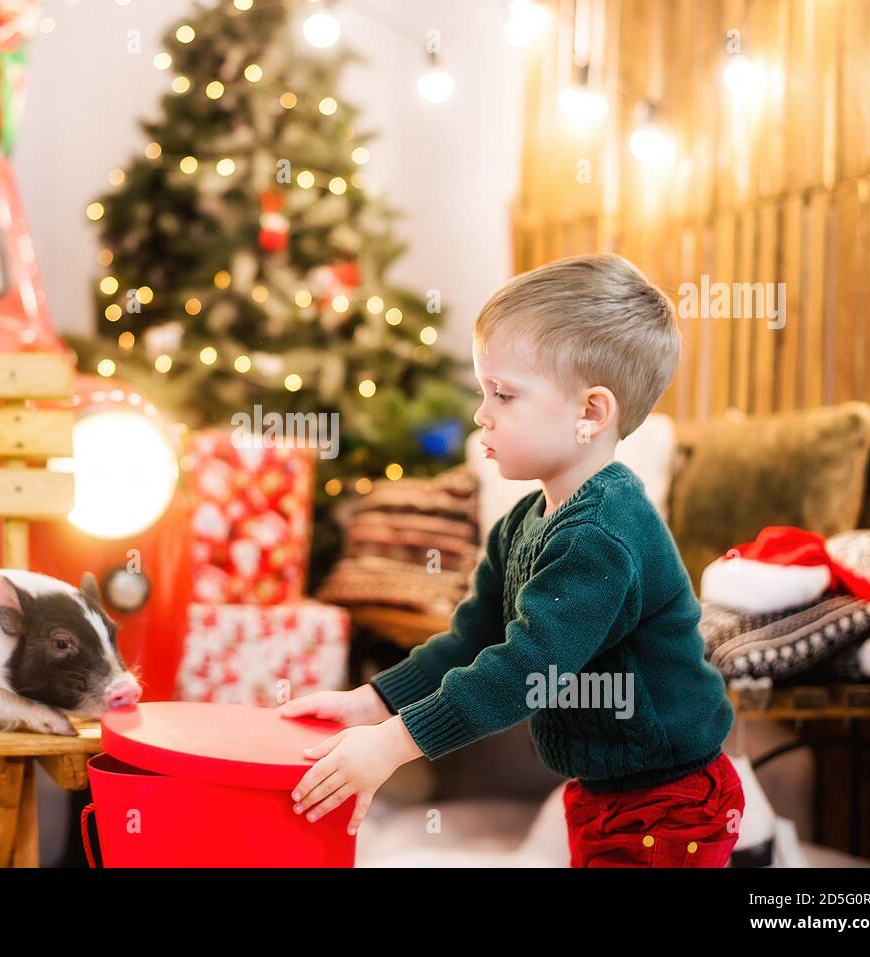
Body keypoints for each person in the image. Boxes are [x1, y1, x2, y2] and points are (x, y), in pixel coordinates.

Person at [280, 254, 744, 866]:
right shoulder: (522, 524)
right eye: (483, 390)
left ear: (590, 413)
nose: (481, 413)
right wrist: (375, 702)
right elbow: (473, 638)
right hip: (602, 789)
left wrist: (395, 744)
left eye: (503, 393)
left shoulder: (601, 536)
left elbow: (528, 670)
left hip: (669, 799)